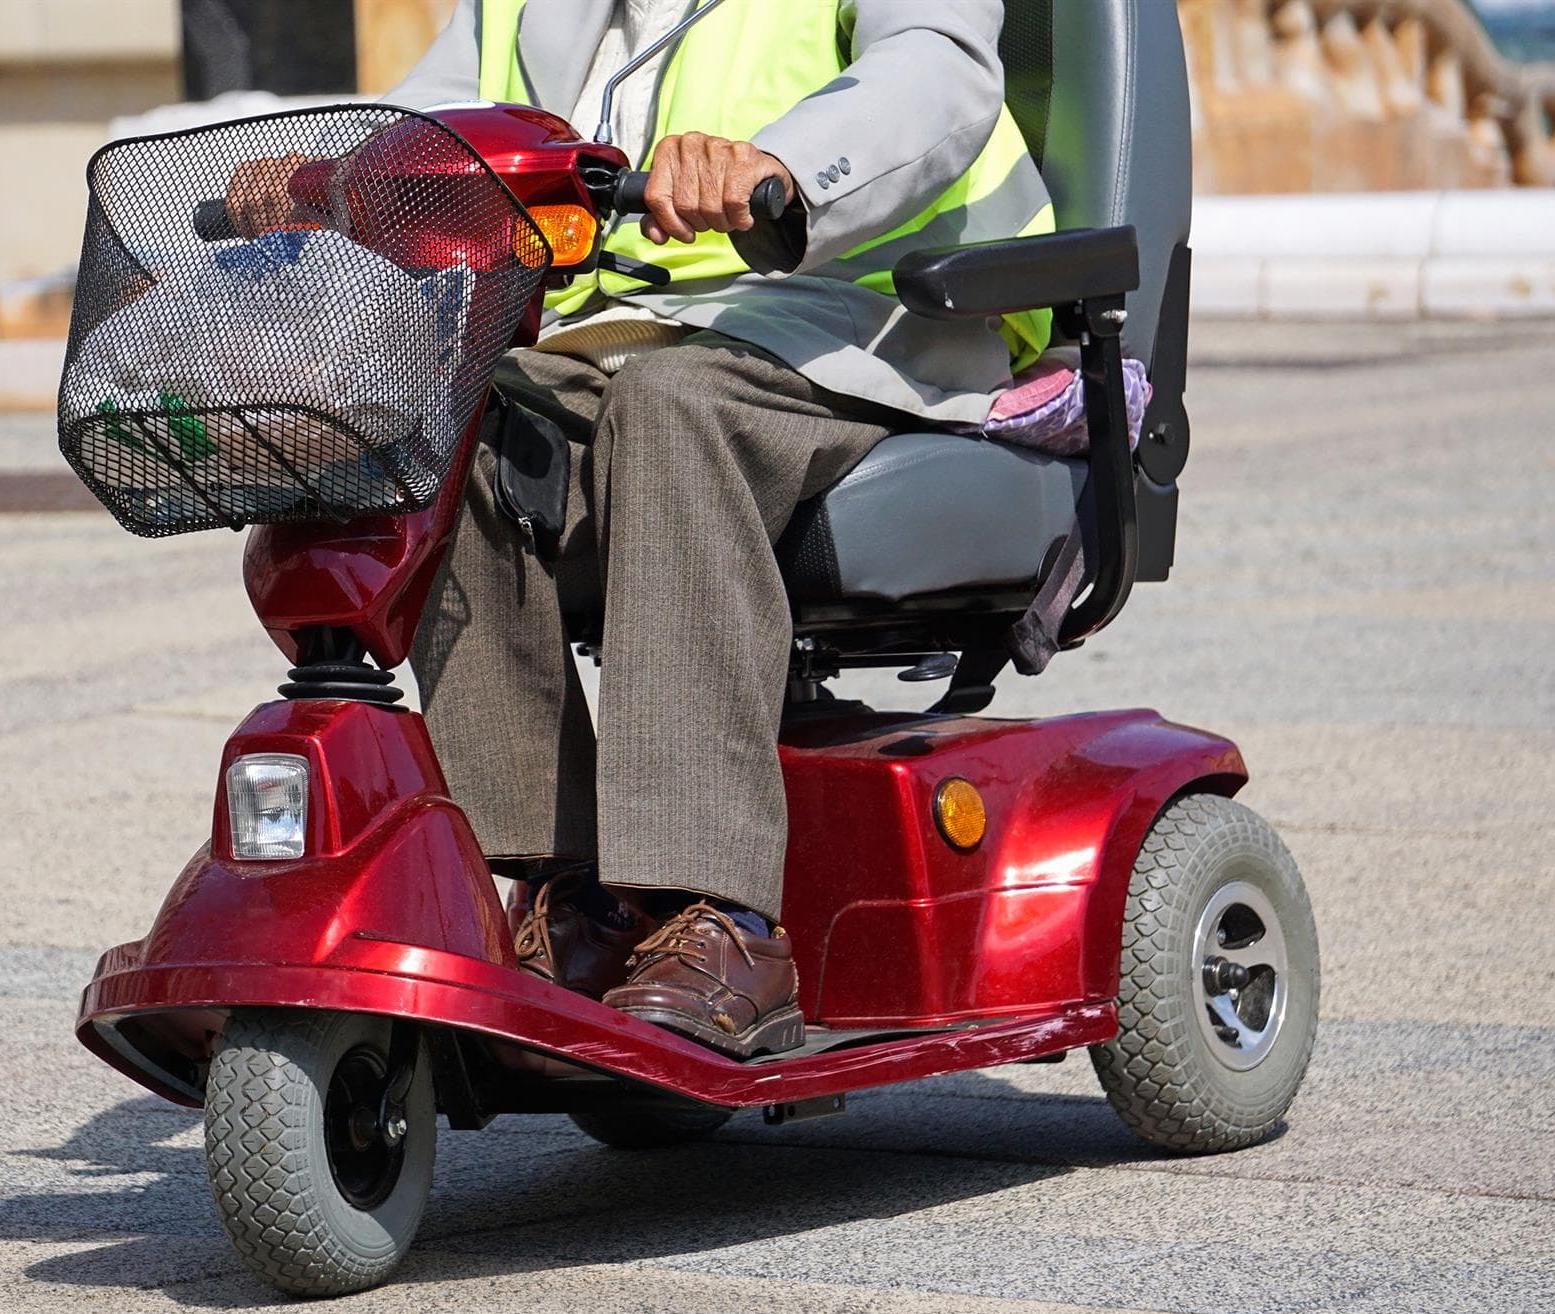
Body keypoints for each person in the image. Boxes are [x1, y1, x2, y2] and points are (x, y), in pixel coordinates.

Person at [226, 0, 1054, 1059]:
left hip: (853, 313)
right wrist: (331, 179)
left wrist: (779, 165)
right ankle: (571, 897)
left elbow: (933, 77)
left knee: (669, 409)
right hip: (620, 333)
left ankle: (723, 917)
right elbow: (436, 124)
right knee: (456, 424)